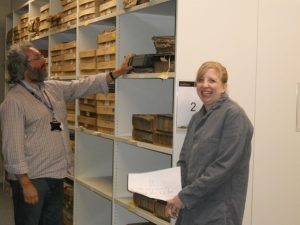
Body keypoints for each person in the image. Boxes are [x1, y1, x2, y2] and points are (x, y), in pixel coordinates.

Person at [0, 41, 132, 225]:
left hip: (56, 175)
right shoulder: (14, 101)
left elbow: (81, 85)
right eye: (38, 58)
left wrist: (115, 73)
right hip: (33, 179)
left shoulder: (50, 88)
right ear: (23, 66)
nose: (44, 60)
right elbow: (11, 147)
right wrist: (24, 183)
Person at [165, 61, 254, 225]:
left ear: (224, 86)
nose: (205, 85)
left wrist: (184, 197)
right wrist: (176, 195)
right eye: (200, 80)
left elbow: (223, 168)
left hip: (218, 212)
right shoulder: (197, 118)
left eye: (212, 80)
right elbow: (184, 162)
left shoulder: (234, 116)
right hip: (191, 209)